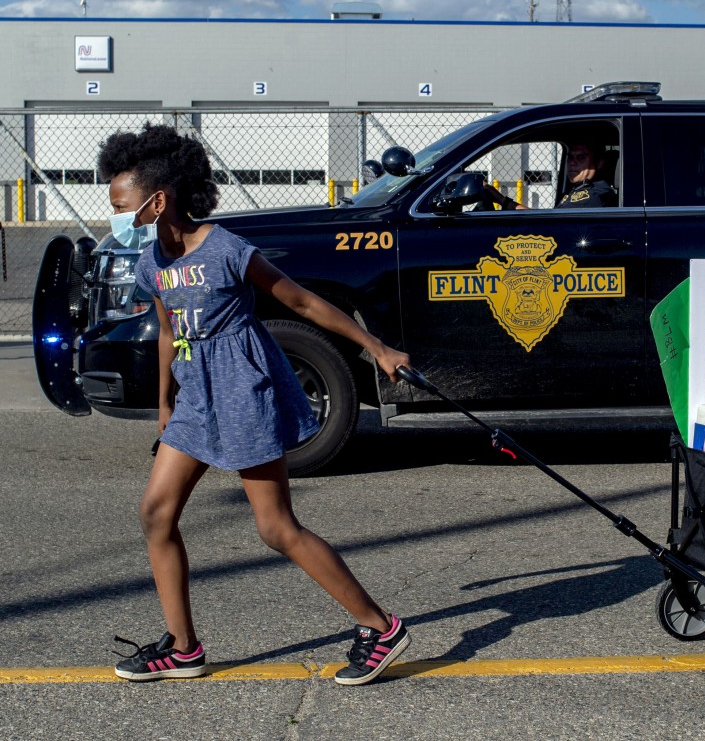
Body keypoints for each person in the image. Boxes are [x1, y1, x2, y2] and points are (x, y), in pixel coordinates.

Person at [100, 123, 411, 686]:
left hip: (245, 390)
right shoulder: (152, 261)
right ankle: (184, 647)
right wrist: (165, 404)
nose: (117, 213)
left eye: (123, 203)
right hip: (195, 399)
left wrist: (377, 348)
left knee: (275, 527)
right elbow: (171, 332)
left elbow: (303, 301)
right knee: (156, 513)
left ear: (159, 199)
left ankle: (380, 626)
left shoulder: (225, 249)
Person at [484, 141, 617, 210]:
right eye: (570, 157)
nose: (572, 163)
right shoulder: (578, 188)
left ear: (599, 163)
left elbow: (549, 221)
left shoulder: (595, 194)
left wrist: (501, 199)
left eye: (581, 158)